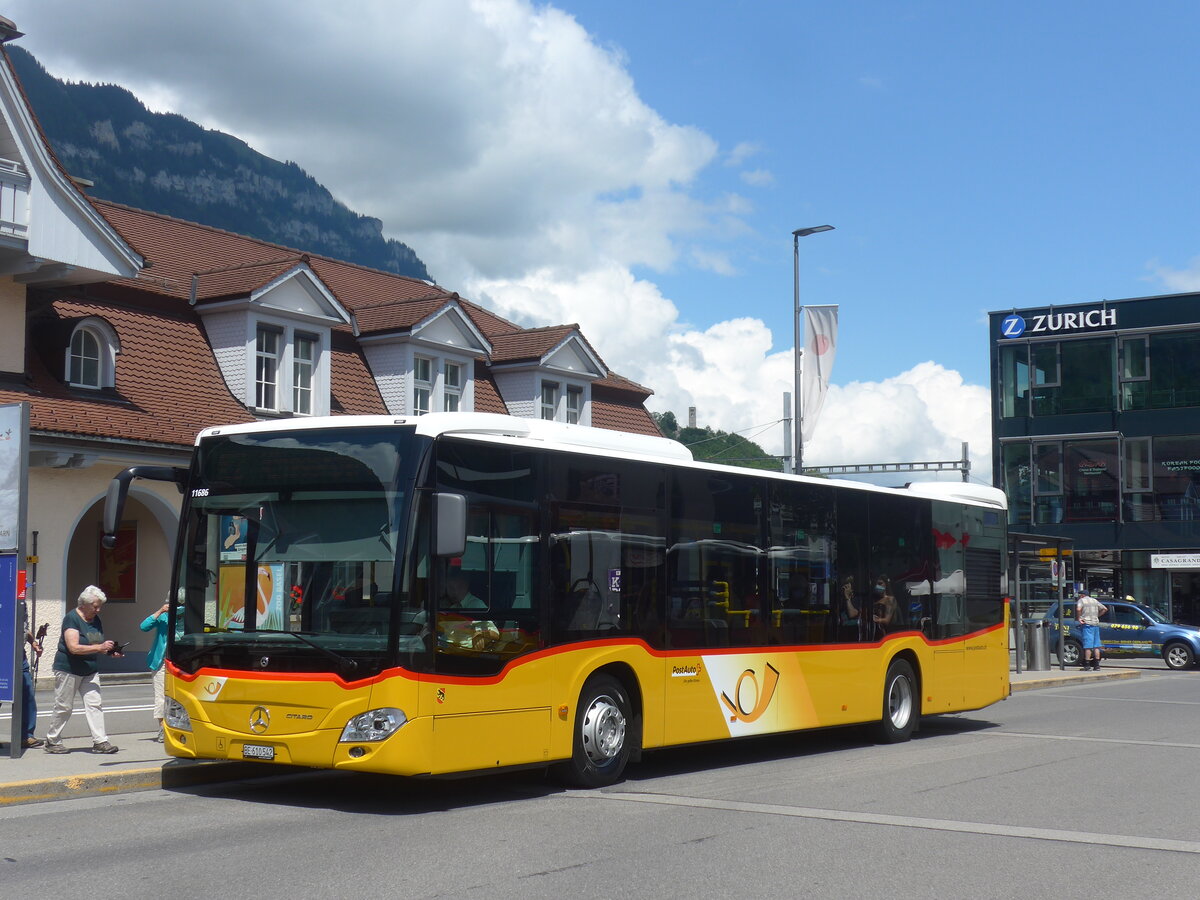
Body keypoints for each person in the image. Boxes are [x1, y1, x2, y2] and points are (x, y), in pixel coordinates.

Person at [44, 585, 122, 754]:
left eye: (100, 606)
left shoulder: (95, 620)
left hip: (90, 670)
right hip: (69, 669)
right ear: (84, 604)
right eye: (95, 606)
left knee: (95, 705)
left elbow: (96, 644)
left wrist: (110, 651)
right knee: (64, 706)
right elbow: (73, 647)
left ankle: (100, 741)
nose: (98, 609)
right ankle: (52, 740)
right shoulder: (72, 618)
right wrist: (99, 647)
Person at [140, 596, 171, 743]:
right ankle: (162, 729)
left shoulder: (188, 618)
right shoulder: (164, 616)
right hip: (161, 661)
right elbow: (144, 626)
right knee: (161, 696)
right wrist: (160, 611)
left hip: (182, 661)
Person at [19, 600, 44, 749]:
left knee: (27, 694)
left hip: (19, 656)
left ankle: (26, 736)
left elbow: (24, 628)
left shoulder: (22, 603)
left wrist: (33, 642)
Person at [1075, 589, 1108, 670]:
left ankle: (1087, 665)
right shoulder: (1094, 600)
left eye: (1080, 594)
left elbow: (1078, 609)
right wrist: (1097, 616)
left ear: (1082, 595)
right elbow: (1105, 609)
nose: (1079, 596)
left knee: (1088, 646)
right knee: (1096, 645)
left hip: (1087, 624)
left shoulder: (1081, 601)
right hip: (1095, 624)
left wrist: (1079, 618)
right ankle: (1097, 665)